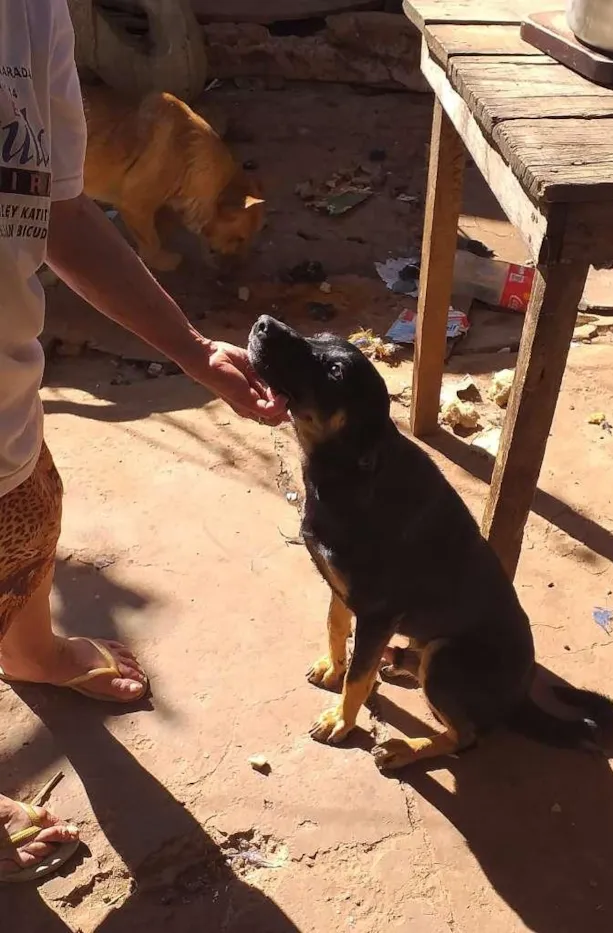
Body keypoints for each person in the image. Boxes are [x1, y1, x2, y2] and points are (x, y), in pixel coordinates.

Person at [0, 0, 287, 882]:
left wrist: (195, 351)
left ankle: (29, 648)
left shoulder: (31, 12)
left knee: (31, 504)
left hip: (5, 387)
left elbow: (60, 212)